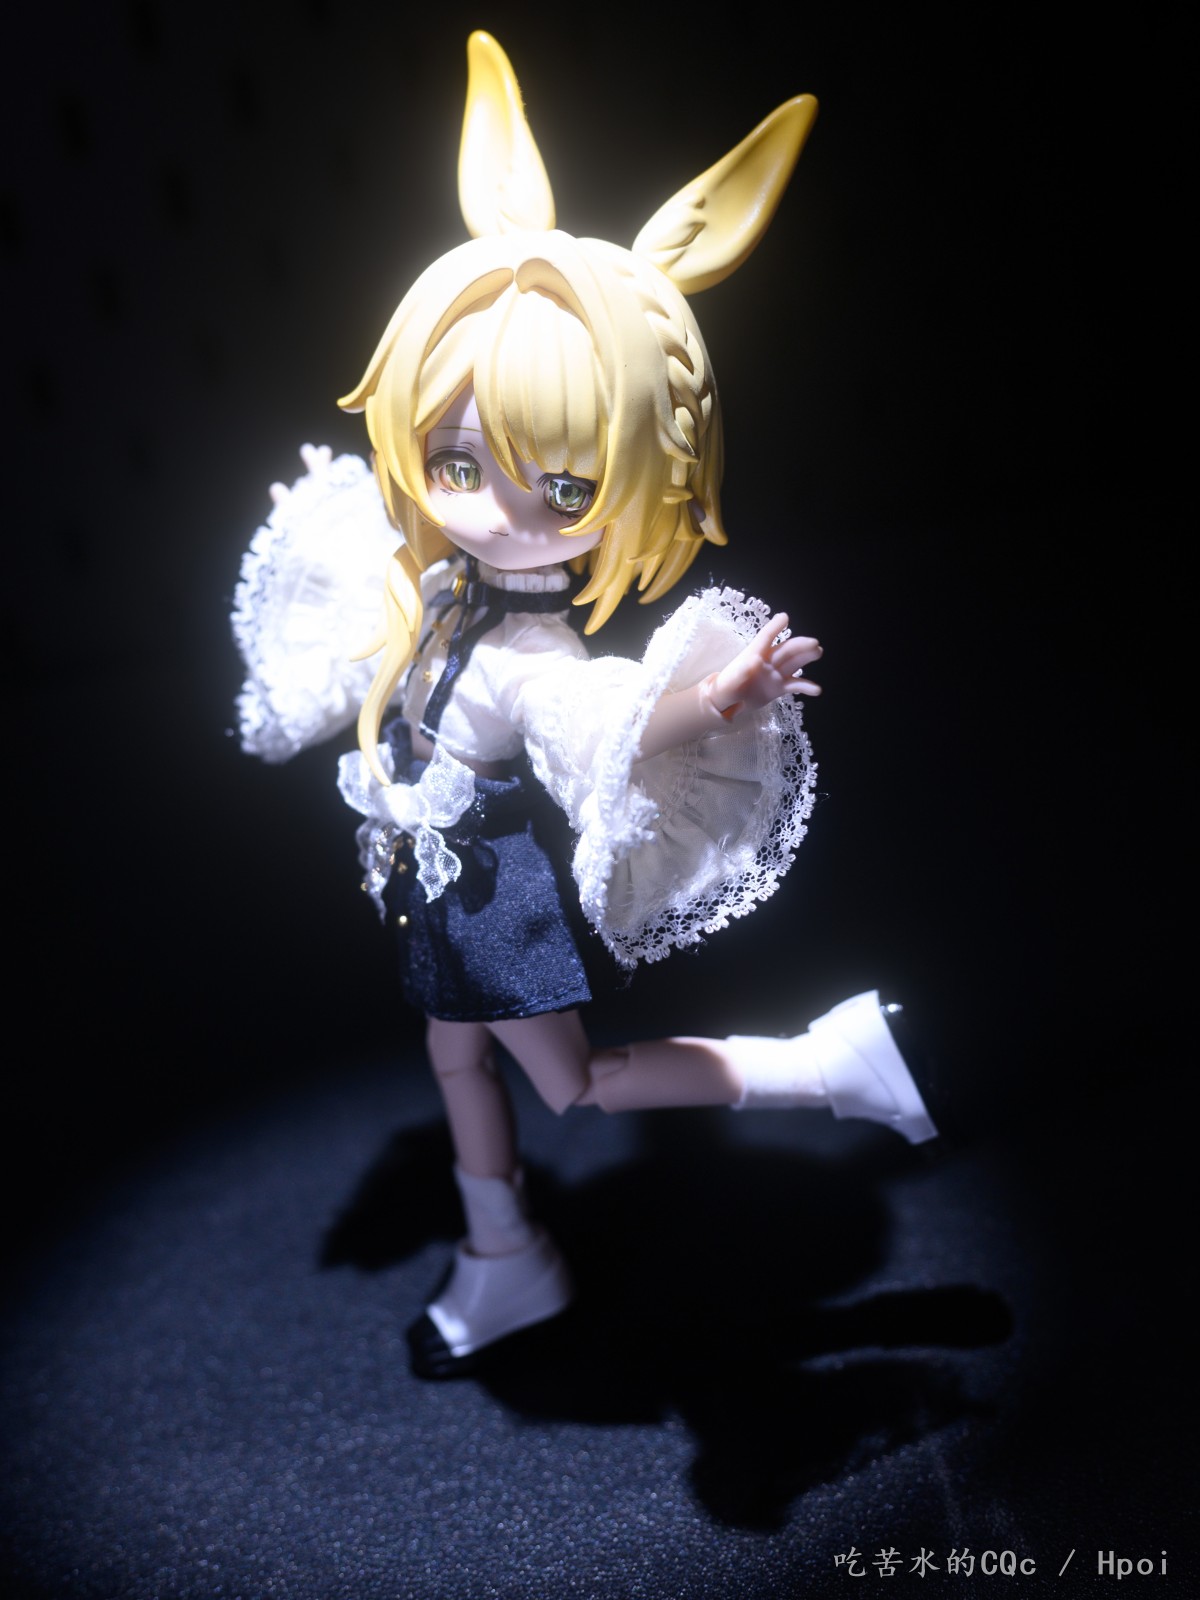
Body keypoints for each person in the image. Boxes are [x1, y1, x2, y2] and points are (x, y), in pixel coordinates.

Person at [232, 32, 937, 1379]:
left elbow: (603, 720)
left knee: (570, 1083)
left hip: (488, 899)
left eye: (563, 488)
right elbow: (385, 652)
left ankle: (824, 1065)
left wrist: (717, 696)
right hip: (445, 885)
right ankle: (504, 1250)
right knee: (453, 1058)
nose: (499, 507)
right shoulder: (446, 592)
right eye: (457, 459)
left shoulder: (531, 654)